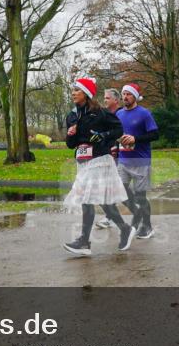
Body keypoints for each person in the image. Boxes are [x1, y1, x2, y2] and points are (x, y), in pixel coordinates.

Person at [62, 77, 135, 256]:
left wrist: (103, 135)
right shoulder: (72, 116)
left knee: (88, 199)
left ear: (86, 94)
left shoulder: (100, 113)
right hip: (83, 163)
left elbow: (118, 130)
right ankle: (125, 229)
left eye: (77, 90)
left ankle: (84, 242)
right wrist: (70, 134)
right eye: (73, 90)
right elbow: (71, 145)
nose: (73, 93)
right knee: (101, 201)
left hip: (100, 161)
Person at [115, 83, 159, 239]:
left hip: (141, 161)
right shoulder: (119, 114)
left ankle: (147, 226)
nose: (125, 97)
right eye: (123, 94)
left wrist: (135, 139)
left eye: (128, 94)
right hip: (123, 160)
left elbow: (155, 135)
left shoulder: (144, 113)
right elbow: (115, 133)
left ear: (135, 96)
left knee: (141, 196)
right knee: (120, 191)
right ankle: (138, 213)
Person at [93, 88, 123, 231]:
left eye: (107, 98)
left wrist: (116, 146)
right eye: (104, 98)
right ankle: (110, 217)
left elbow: (122, 132)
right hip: (106, 155)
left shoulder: (121, 114)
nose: (104, 100)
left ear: (116, 100)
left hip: (121, 157)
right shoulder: (104, 115)